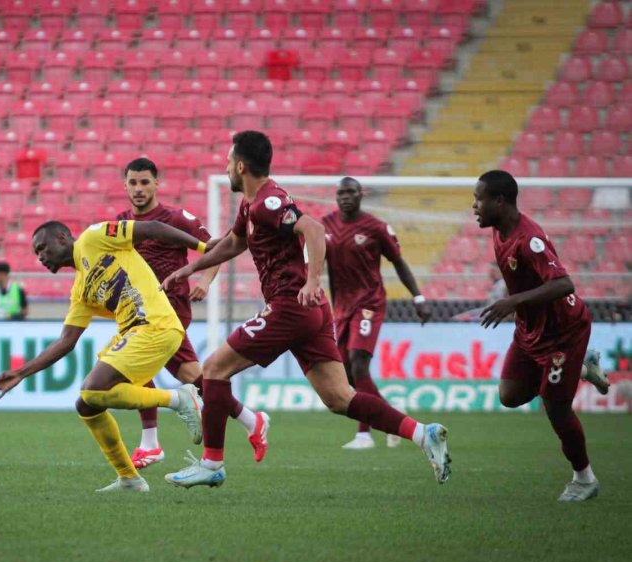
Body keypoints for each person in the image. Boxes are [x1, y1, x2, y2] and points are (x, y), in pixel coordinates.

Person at [161, 131, 452, 488]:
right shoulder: (251, 204)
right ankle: (424, 435)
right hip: (308, 311)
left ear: (240, 165)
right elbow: (234, 242)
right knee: (339, 398)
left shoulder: (269, 201)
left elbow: (313, 229)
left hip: (290, 304)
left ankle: (212, 463)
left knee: (215, 369)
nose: (225, 170)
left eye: (227, 163)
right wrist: (191, 269)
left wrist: (313, 280)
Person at [0, 219, 208, 493]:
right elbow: (66, 341)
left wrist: (202, 246)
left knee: (93, 389)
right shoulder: (80, 290)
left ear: (63, 238)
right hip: (135, 334)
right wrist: (20, 372)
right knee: (87, 404)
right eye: (36, 253)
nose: (40, 257)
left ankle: (178, 398)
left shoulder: (94, 237)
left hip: (155, 325)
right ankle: (129, 479)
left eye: (42, 248)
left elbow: (151, 228)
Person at [117, 157, 269, 469]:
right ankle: (251, 421)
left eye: (145, 182)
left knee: (137, 368)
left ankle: (151, 444)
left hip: (169, 311)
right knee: (197, 378)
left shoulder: (175, 218)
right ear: (125, 186)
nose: (138, 189)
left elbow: (217, 247)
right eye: (133, 183)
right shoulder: (121, 222)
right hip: (140, 312)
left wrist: (205, 279)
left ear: (157, 183)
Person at [472, 169, 611, 501]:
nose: (474, 206)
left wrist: (512, 302)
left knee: (556, 408)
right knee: (508, 395)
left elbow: (564, 284)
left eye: (479, 199)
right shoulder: (499, 231)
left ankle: (584, 479)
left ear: (500, 201)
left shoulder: (529, 239)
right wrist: (517, 304)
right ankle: (580, 367)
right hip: (530, 329)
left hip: (564, 332)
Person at [322, 177, 432, 450]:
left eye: (350, 192)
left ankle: (364, 434)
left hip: (369, 303)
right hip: (342, 307)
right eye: (340, 193)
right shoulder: (326, 225)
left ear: (361, 195)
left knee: (359, 363)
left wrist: (418, 296)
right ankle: (390, 415)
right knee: (346, 374)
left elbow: (398, 263)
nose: (345, 197)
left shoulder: (376, 227)